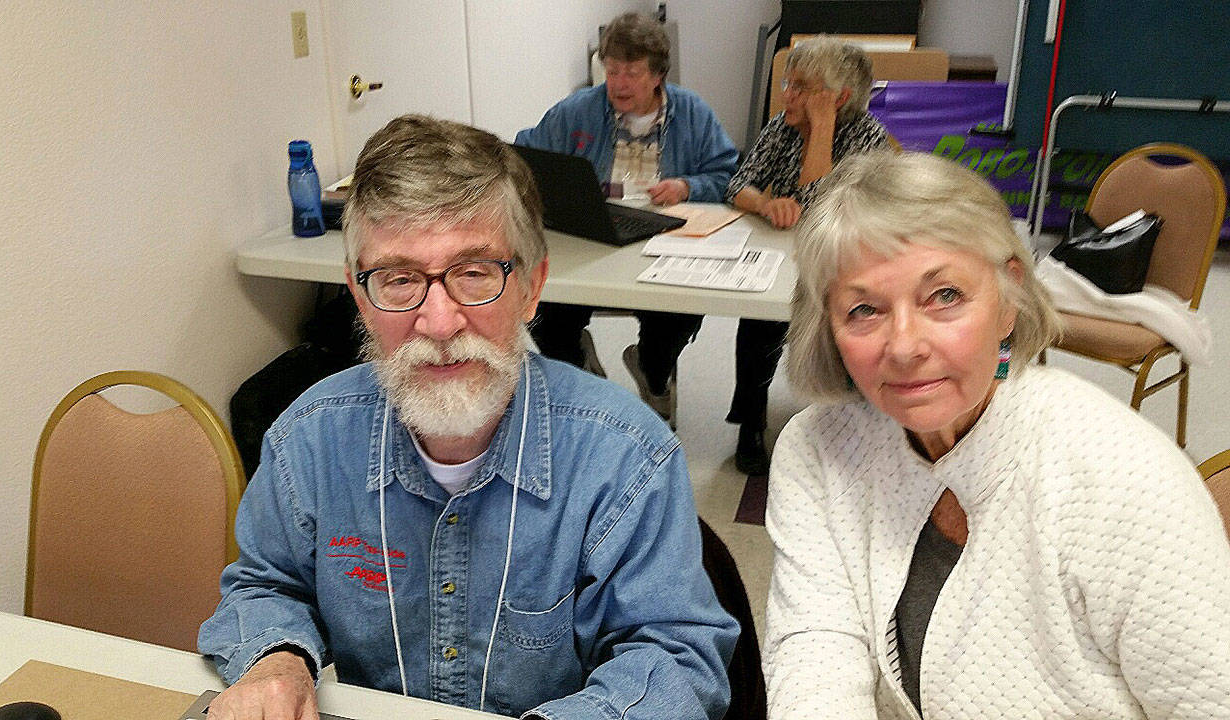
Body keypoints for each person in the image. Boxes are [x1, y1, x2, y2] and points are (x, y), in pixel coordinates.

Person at [198, 115, 737, 720]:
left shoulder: (629, 458)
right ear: (359, 297)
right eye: (399, 280)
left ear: (532, 286)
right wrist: (275, 660)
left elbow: (675, 656)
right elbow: (266, 583)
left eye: (474, 274)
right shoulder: (307, 440)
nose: (438, 323)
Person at [764, 150, 1230, 719]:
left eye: (945, 296)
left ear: (1009, 297)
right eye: (864, 309)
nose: (905, 346)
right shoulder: (818, 449)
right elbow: (814, 650)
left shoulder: (1125, 480)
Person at [515, 12, 738, 427]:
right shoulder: (577, 110)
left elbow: (728, 174)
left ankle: (652, 371)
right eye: (611, 70)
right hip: (594, 235)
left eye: (631, 73)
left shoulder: (693, 113)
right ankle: (581, 374)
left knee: (678, 310)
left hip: (664, 238)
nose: (617, 83)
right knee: (542, 300)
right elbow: (526, 155)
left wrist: (686, 186)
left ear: (658, 76)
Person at [724, 36, 889, 475]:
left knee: (841, 321)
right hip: (781, 254)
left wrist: (823, 128)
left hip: (843, 263)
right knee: (757, 320)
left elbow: (819, 204)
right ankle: (750, 421)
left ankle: (848, 423)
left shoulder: (866, 137)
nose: (787, 96)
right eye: (788, 84)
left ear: (839, 98)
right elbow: (737, 184)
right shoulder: (780, 127)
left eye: (801, 88)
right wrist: (765, 203)